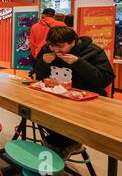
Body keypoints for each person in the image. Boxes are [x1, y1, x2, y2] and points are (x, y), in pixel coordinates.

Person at [34, 26, 115, 159]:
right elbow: (39, 74)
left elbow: (105, 79)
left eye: (60, 46)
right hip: (56, 99)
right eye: (52, 46)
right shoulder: (47, 50)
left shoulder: (92, 51)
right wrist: (43, 63)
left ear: (73, 42)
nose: (55, 50)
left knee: (61, 128)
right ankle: (66, 144)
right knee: (39, 115)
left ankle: (62, 146)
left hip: (85, 104)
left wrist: (79, 62)